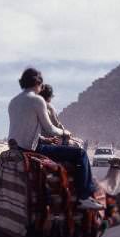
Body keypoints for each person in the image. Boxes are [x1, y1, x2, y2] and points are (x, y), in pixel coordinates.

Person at [7, 67, 103, 210]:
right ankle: (84, 197)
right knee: (81, 154)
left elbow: (24, 129)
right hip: (31, 149)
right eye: (41, 84)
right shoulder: (37, 100)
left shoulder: (13, 101)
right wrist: (65, 133)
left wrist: (44, 140)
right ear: (37, 83)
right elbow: (50, 128)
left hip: (14, 147)